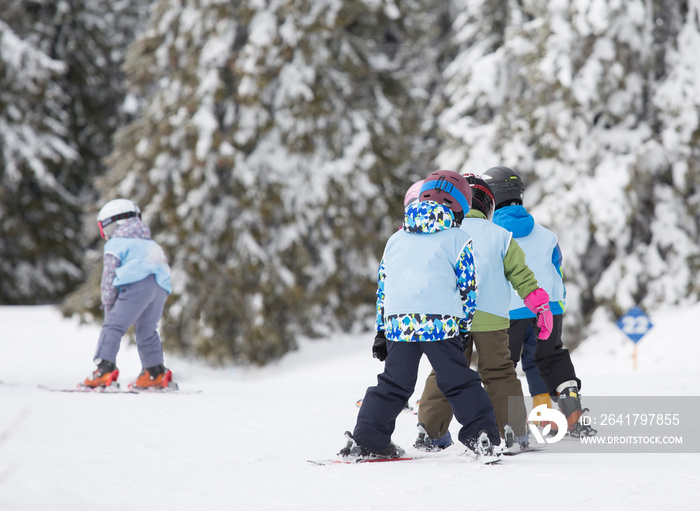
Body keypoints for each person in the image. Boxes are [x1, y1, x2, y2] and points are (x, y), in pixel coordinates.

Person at [340, 170, 500, 459]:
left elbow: (384, 287)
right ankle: (482, 436)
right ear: (460, 207)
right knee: (458, 381)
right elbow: (468, 287)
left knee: (393, 383)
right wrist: (464, 328)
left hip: (399, 323)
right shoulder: (458, 238)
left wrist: (381, 330)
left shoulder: (395, 239)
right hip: (440, 322)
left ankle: (368, 440)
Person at [415, 174, 552, 451]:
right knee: (499, 372)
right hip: (491, 318)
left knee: (445, 371)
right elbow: (521, 274)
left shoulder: (445, 232)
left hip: (451, 316)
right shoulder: (501, 235)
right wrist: (539, 304)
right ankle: (513, 432)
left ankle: (430, 433)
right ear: (489, 205)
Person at [483, 166, 596, 437]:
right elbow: (557, 268)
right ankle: (565, 415)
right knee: (548, 357)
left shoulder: (490, 235)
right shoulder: (546, 234)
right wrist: (557, 303)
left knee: (503, 366)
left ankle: (508, 425)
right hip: (548, 307)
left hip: (507, 309)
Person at [82, 199, 175, 390]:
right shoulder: (150, 244)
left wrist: (108, 302)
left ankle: (104, 370)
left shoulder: (116, 244)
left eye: (105, 230)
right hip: (160, 287)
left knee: (113, 326)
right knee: (147, 330)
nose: (105, 236)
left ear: (117, 224)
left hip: (135, 285)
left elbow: (109, 276)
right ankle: (155, 373)